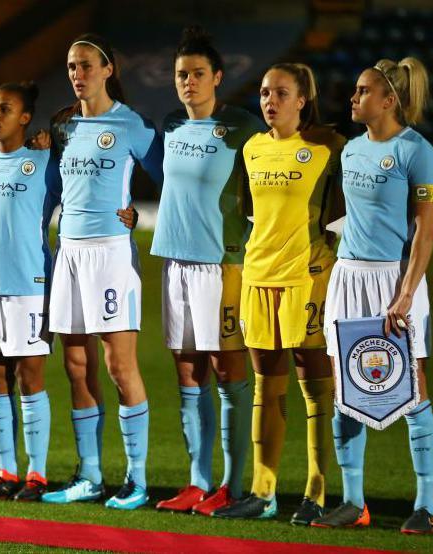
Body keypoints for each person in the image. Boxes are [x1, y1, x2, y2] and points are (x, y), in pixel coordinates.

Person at [312, 57, 433, 535]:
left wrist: (406, 292)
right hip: (348, 278)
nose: (353, 97)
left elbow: (425, 233)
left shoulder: (417, 151)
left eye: (364, 91)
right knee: (346, 387)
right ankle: (353, 502)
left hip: (394, 279)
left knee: (411, 387)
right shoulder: (349, 151)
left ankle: (425, 506)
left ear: (389, 100)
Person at [213, 63, 344, 524]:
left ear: (303, 99)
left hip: (308, 278)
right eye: (265, 93)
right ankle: (262, 492)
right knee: (265, 382)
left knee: (315, 382)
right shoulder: (251, 149)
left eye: (281, 93)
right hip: (258, 275)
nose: (270, 101)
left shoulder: (328, 147)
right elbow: (252, 214)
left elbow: (345, 214)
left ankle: (317, 492)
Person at [40, 34, 162, 510]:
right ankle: (89, 476)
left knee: (118, 365)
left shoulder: (130, 124)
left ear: (109, 69)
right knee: (75, 366)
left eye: (87, 64)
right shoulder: (62, 128)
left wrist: (141, 214)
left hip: (110, 255)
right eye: (71, 66)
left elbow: (170, 176)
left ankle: (137, 480)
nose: (77, 73)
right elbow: (53, 189)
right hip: (69, 251)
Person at [148, 27, 262, 515]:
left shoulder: (243, 128)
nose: (188, 82)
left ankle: (234, 487)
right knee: (188, 370)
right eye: (181, 75)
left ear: (217, 77)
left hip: (222, 264)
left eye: (197, 74)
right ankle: (198, 482)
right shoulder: (172, 124)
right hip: (175, 260)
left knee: (228, 368)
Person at [0, 82, 59, 502]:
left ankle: (36, 475)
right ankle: (5, 472)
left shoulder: (43, 160)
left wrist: (127, 214)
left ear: (25, 118)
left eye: (4, 109)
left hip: (29, 282)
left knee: (30, 376)